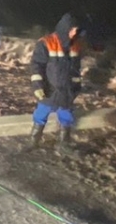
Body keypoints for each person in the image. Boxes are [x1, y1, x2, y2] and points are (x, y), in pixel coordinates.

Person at [29, 12, 83, 152]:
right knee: (41, 114)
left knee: (66, 116)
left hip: (66, 91)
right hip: (49, 90)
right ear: (64, 29)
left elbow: (76, 70)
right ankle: (33, 141)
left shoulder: (75, 46)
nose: (74, 33)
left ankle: (64, 142)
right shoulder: (46, 43)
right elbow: (37, 66)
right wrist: (38, 87)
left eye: (76, 30)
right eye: (71, 30)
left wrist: (76, 87)